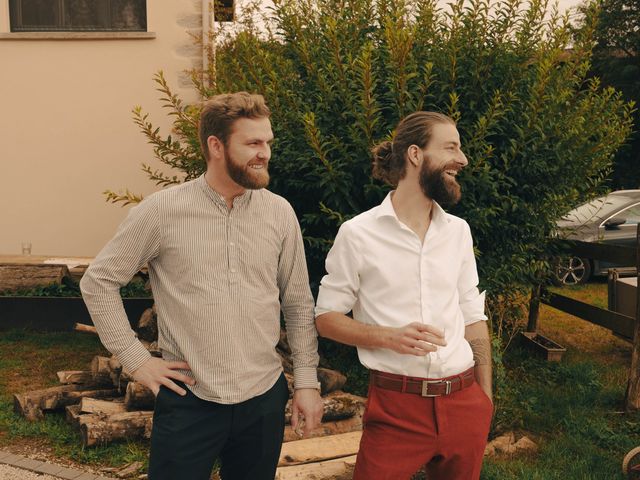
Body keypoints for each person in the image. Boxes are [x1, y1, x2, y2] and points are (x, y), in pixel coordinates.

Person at [81, 92, 324, 480]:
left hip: (263, 397)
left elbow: (296, 302)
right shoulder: (162, 211)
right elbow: (98, 282)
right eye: (253, 143)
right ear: (216, 145)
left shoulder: (279, 212)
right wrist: (136, 360)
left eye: (268, 143)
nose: (265, 153)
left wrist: (307, 384)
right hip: (190, 399)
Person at [315, 111, 493, 479]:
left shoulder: (458, 231)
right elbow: (326, 318)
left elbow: (473, 315)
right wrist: (388, 337)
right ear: (415, 154)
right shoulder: (358, 234)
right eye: (450, 148)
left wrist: (485, 398)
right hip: (396, 407)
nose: (462, 159)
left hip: (464, 401)